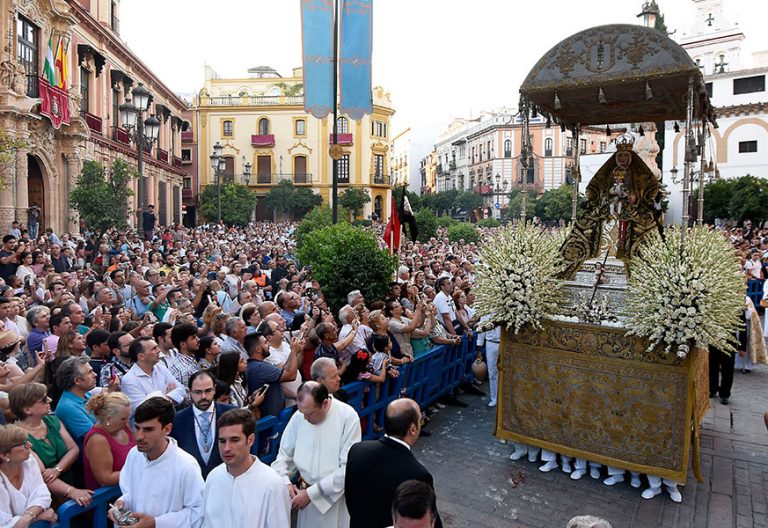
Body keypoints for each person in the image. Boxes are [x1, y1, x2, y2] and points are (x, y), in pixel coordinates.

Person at [272, 381, 361, 528]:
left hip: (333, 500)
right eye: (302, 413)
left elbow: (347, 468)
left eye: (310, 414)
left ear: (325, 404)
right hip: (302, 496)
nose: (305, 419)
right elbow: (284, 456)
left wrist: (311, 494)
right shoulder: (299, 417)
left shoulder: (348, 417)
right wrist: (285, 482)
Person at [345, 398, 441, 528]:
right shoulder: (418, 474)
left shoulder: (358, 450)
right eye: (420, 419)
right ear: (413, 429)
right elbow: (427, 518)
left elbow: (350, 498)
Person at [112, 396, 204, 528]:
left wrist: (156, 523)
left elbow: (198, 513)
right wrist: (121, 505)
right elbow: (130, 492)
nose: (139, 436)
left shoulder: (186, 466)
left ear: (167, 429)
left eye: (148, 429)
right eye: (137, 428)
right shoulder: (134, 454)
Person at [202, 408, 291, 528]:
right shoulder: (213, 477)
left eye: (234, 440)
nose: (226, 448)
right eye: (222, 441)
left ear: (250, 440)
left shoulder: (272, 484)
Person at [9, 383, 93, 507]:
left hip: (74, 482)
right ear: (27, 409)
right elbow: (42, 476)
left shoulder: (53, 421)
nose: (50, 400)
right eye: (43, 399)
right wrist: (72, 491)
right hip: (48, 499)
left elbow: (73, 449)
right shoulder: (17, 438)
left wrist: (57, 469)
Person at [170, 370, 235, 479]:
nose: (203, 396)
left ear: (214, 390)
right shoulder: (177, 420)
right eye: (198, 392)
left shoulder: (232, 414)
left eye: (208, 391)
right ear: (190, 392)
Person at [0, 424, 57, 526]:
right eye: (24, 444)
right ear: (4, 455)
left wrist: (28, 517)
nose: (30, 445)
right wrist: (36, 517)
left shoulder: (29, 461)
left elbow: (42, 495)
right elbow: (4, 524)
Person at [82, 391, 135, 490]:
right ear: (109, 418)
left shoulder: (123, 426)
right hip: (108, 497)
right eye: (123, 418)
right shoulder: (97, 440)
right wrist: (138, 471)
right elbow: (105, 479)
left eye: (128, 417)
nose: (127, 421)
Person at [120, 337, 186, 412]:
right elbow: (143, 410)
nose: (159, 351)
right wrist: (169, 398)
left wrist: (164, 399)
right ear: (141, 356)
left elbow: (182, 390)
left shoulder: (161, 369)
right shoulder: (129, 380)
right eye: (154, 349)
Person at [245, 331, 298, 418]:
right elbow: (291, 375)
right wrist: (294, 350)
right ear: (258, 349)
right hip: (270, 421)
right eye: (265, 343)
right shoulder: (260, 368)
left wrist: (295, 395)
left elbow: (276, 386)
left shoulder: (256, 366)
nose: (269, 344)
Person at [53, 356, 97, 444]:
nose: (95, 375)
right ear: (77, 381)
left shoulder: (86, 395)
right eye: (90, 372)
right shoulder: (68, 407)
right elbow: (95, 437)